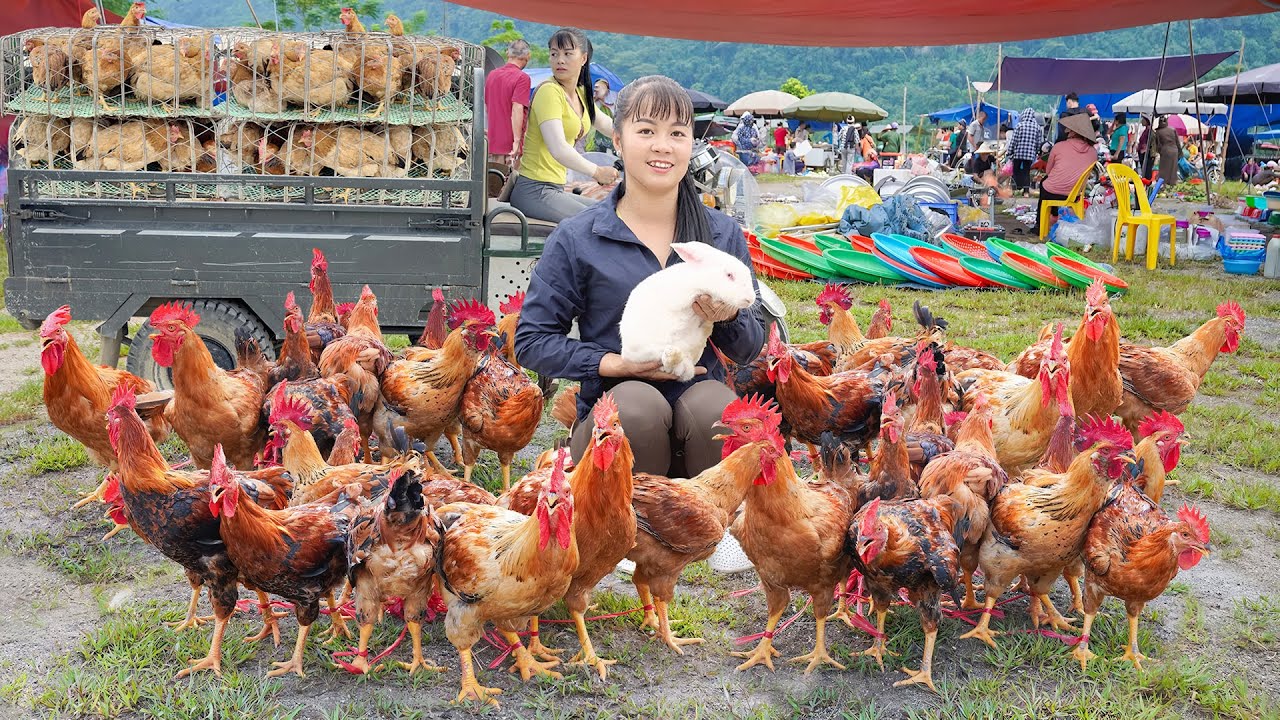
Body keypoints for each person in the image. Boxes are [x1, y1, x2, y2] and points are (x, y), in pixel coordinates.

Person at [515, 75, 765, 477]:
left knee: (716, 412)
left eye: (677, 133)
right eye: (646, 130)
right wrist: (614, 364)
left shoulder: (720, 235)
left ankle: (712, 533)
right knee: (636, 409)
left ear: (690, 144)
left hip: (695, 395)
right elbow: (532, 341)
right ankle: (627, 535)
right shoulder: (579, 237)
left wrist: (729, 317)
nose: (662, 145)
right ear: (617, 140)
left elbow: (749, 348)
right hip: (615, 415)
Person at [510, 28, 620, 223]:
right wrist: (597, 171)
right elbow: (558, 148)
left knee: (612, 213)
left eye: (568, 54)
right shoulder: (549, 92)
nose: (560, 60)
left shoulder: (580, 94)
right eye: (554, 54)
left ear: (583, 58)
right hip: (535, 190)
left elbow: (609, 126)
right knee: (598, 222)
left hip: (555, 188)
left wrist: (637, 139)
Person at [1039, 113, 1098, 234]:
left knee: (1044, 183)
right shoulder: (1093, 152)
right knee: (1048, 183)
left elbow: (1048, 172)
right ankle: (1054, 215)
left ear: (1072, 132)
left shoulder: (1059, 146)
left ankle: (1041, 224)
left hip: (1052, 192)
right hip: (1075, 194)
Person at [484, 39, 532, 168]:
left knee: (494, 182)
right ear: (528, 56)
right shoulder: (522, 78)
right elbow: (517, 108)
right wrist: (516, 141)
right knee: (510, 183)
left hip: (493, 141)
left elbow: (488, 106)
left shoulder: (492, 75)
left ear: (508, 54)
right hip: (510, 145)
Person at [1009, 107, 1044, 196]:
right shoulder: (1037, 127)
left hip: (1018, 153)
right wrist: (1036, 152)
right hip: (1029, 155)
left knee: (1016, 171)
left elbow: (1014, 140)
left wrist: (1010, 151)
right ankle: (1026, 192)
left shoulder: (1019, 126)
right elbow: (1038, 143)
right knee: (1026, 172)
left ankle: (1014, 190)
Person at [587, 78, 615, 153]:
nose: (596, 88)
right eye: (595, 87)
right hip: (595, 132)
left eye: (599, 87)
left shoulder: (612, 98)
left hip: (608, 129)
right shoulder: (591, 99)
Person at [1153, 116, 1181, 187]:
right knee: (1173, 168)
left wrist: (1159, 152)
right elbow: (1177, 142)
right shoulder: (1173, 129)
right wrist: (1180, 152)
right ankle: (1172, 184)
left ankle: (1164, 185)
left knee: (1164, 169)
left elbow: (1158, 144)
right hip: (1175, 150)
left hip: (1165, 150)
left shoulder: (1158, 132)